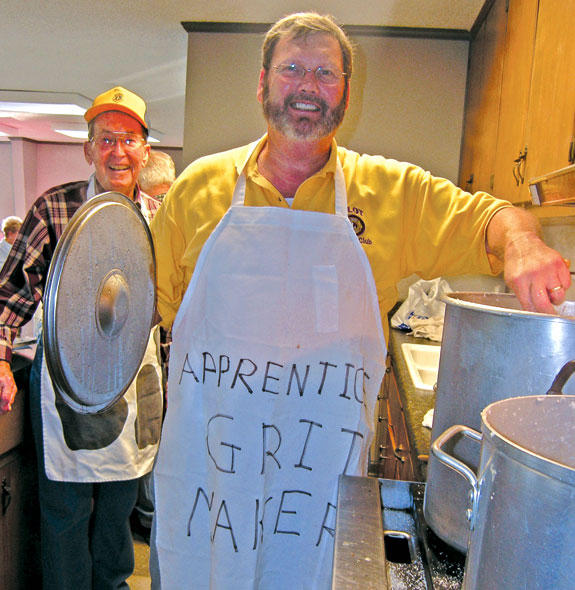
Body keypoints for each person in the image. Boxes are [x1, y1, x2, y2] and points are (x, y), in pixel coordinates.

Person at [149, 13, 570, 589]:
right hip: (212, 474)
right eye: (291, 68)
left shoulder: (393, 190)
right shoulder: (199, 188)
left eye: (325, 73)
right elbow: (154, 310)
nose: (307, 86)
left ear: (347, 90)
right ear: (262, 83)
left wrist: (522, 243)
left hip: (316, 482)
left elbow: (492, 219)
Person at [0, 86, 164, 590]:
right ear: (88, 148)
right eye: (107, 138)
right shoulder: (55, 208)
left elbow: (177, 306)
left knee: (116, 522)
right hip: (66, 389)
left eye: (129, 139)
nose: (119, 151)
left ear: (145, 149)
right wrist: (2, 358)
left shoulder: (162, 218)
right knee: (67, 516)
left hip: (134, 390)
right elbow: (10, 294)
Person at [130, 149, 177, 544]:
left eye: (167, 196)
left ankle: (150, 515)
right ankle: (146, 516)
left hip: (158, 360)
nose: (161, 205)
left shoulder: (168, 227)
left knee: (152, 435)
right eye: (156, 197)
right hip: (122, 360)